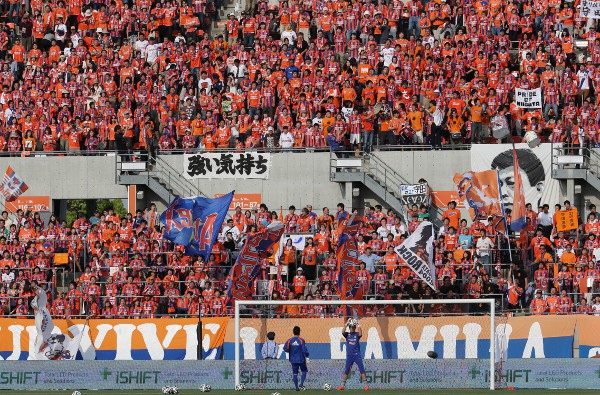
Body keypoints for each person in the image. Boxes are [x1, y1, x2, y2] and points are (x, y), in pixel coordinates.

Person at [338, 318, 369, 391]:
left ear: (354, 328)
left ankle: (366, 386)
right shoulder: (347, 335)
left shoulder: (357, 334)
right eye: (350, 327)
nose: (352, 328)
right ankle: (342, 385)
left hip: (357, 355)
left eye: (353, 327)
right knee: (347, 370)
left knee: (361, 369)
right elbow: (342, 332)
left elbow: (361, 333)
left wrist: (358, 325)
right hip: (349, 356)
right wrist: (346, 324)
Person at [284, 326, 309, 391]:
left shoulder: (289, 340)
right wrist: (307, 355)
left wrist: (290, 351)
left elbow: (285, 348)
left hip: (293, 359)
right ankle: (301, 384)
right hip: (301, 359)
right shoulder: (301, 340)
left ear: (293, 332)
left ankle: (296, 387)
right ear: (299, 332)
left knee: (295, 373)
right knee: (304, 371)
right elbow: (304, 349)